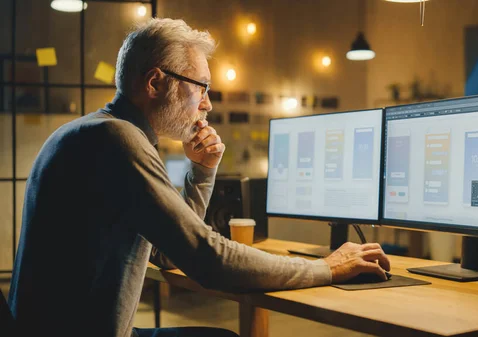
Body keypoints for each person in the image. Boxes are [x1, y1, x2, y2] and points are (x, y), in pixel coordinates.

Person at [7, 18, 391, 337]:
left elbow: (170, 251)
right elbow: (208, 258)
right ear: (155, 83)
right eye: (201, 87)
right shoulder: (117, 140)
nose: (207, 103)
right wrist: (328, 267)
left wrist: (202, 170)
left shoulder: (94, 131)